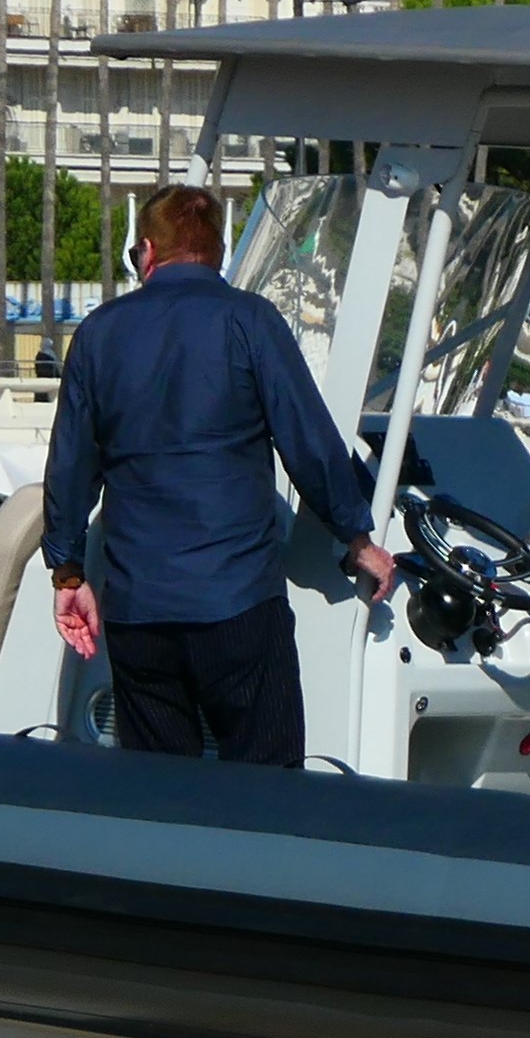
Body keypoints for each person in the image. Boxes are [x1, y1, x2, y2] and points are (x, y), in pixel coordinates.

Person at [43, 184, 397, 766]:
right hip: (237, 604)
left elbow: (70, 468)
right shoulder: (250, 321)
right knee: (267, 789)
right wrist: (356, 537)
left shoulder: (99, 333)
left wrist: (67, 573)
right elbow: (307, 440)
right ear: (217, 252)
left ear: (148, 252)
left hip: (139, 610)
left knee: (162, 794)